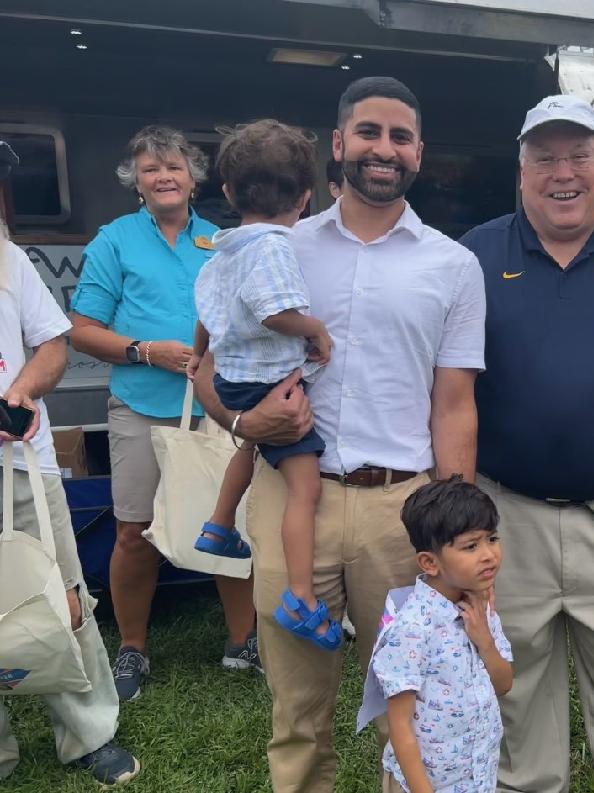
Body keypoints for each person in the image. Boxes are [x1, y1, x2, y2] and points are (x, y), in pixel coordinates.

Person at [192, 76, 485, 793]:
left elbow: (453, 405)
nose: (383, 149)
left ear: (419, 153)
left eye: (400, 136)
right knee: (297, 711)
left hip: (403, 510)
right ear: (337, 145)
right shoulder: (272, 248)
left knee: (412, 710)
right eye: (369, 133)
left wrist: (460, 533)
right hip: (296, 499)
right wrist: (239, 421)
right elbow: (203, 363)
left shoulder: (453, 265)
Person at [459, 95, 594, 793]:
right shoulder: (474, 253)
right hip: (505, 515)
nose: (564, 173)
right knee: (514, 689)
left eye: (579, 155)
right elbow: (449, 388)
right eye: (546, 158)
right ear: (521, 172)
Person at [69, 126, 257, 701]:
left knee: (229, 527)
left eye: (174, 167)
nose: (164, 177)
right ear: (136, 183)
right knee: (133, 532)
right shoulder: (114, 241)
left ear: (194, 178)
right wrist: (145, 351)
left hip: (218, 408)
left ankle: (242, 641)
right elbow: (80, 330)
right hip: (142, 407)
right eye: (151, 169)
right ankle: (132, 649)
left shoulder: (222, 242)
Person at [189, 119, 339, 649]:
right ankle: (302, 596)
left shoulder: (221, 247)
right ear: (304, 197)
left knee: (251, 445)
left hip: (232, 381)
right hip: (265, 383)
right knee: (305, 489)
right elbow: (276, 313)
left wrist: (201, 354)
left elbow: (207, 310)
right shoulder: (274, 246)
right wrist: (314, 328)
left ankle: (219, 522)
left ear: (227, 191)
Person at [0, 222, 140, 786]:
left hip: (20, 462)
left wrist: (24, 389)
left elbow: (52, 345)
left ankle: (89, 735)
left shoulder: (8, 259)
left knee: (62, 595)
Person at [366, 475, 512, 793]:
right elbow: (400, 725)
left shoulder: (481, 606)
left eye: (492, 538)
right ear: (429, 562)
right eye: (471, 546)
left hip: (476, 778)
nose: (489, 554)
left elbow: (504, 684)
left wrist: (485, 641)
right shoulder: (412, 628)